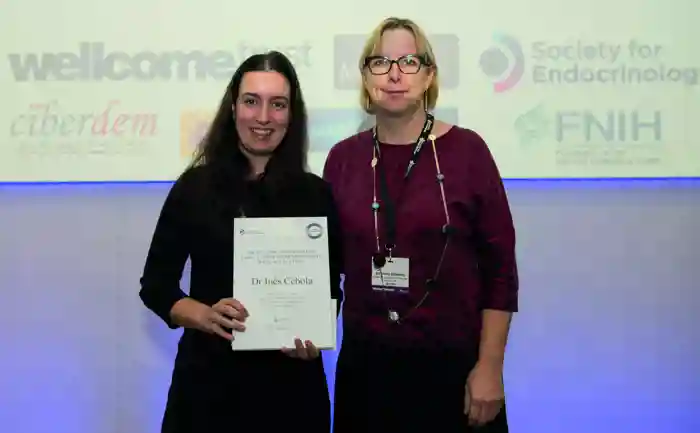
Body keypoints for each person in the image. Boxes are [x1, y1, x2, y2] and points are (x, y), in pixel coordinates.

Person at [323, 17, 518, 433]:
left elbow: (500, 270)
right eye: (381, 62)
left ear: (429, 75)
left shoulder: (468, 151)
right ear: (365, 76)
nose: (395, 74)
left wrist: (490, 366)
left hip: (455, 371)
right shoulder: (342, 159)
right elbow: (326, 265)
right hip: (366, 372)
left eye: (409, 61)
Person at [139, 50, 343, 433]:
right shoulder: (193, 189)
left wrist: (317, 333)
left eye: (277, 104)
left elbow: (332, 289)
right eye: (252, 102)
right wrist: (201, 314)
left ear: (291, 115)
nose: (263, 117)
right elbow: (155, 286)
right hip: (207, 391)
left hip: (292, 394)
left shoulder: (316, 195)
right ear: (233, 108)